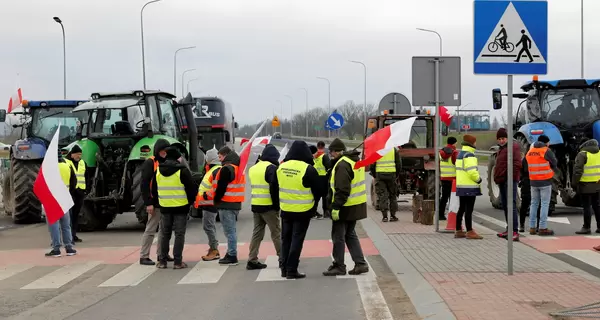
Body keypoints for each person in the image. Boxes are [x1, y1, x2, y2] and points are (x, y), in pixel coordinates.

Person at [274, 140, 321, 279]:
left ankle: (283, 268)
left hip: (285, 209)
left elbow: (274, 186)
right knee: (296, 240)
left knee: (285, 239)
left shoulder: (281, 167)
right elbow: (318, 190)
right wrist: (314, 205)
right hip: (303, 210)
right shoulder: (308, 169)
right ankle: (291, 269)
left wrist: (278, 204)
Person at [323, 138, 369, 276]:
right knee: (350, 234)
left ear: (337, 152)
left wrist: (336, 206)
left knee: (339, 236)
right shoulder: (354, 161)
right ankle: (360, 263)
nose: (330, 155)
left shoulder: (342, 165)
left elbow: (342, 189)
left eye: (331, 152)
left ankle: (339, 265)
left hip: (345, 206)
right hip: (356, 205)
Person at [155, 147, 197, 269]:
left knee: (165, 234)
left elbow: (154, 188)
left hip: (165, 207)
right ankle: (177, 262)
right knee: (179, 234)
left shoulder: (158, 170)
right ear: (176, 157)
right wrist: (191, 202)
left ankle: (162, 261)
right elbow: (191, 188)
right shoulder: (182, 171)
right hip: (180, 207)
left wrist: (159, 202)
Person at [247, 144, 282, 270]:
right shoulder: (271, 168)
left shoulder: (254, 168)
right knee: (276, 232)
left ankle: (252, 259)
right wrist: (277, 206)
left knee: (257, 233)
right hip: (269, 206)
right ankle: (282, 258)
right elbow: (274, 189)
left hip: (256, 205)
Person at [139, 139, 173, 266]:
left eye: (166, 151)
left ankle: (162, 254)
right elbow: (145, 184)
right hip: (155, 202)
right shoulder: (150, 163)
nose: (165, 153)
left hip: (165, 202)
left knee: (164, 231)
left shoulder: (167, 162)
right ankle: (144, 256)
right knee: (150, 229)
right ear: (158, 151)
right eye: (163, 151)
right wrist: (148, 203)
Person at [212, 146, 245, 265]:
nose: (219, 160)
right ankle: (230, 253)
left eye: (220, 157)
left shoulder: (227, 169)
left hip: (226, 204)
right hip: (235, 204)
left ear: (225, 156)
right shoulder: (237, 168)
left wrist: (216, 200)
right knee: (231, 230)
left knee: (229, 231)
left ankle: (232, 255)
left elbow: (221, 187)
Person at [45, 151, 78, 257]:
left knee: (54, 225)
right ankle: (69, 248)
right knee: (66, 225)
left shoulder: (48, 167)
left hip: (52, 199)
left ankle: (56, 249)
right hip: (64, 197)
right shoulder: (67, 165)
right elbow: (74, 182)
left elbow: (43, 183)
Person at [494, 128, 522, 241]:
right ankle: (509, 229)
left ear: (507, 138)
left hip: (509, 181)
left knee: (511, 205)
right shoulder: (502, 149)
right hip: (502, 181)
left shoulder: (512, 147)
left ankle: (514, 230)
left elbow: (516, 164)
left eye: (503, 138)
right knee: (506, 206)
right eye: (499, 139)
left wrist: (509, 178)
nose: (501, 141)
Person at [194, 147, 222, 261]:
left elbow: (216, 188)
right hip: (208, 203)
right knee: (209, 227)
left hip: (210, 203)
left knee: (208, 227)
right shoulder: (213, 170)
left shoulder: (215, 170)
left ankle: (214, 249)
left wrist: (206, 195)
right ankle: (213, 248)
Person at [526, 135, 557, 236]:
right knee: (544, 204)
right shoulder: (546, 150)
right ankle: (542, 227)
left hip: (533, 181)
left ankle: (532, 227)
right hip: (545, 181)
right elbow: (555, 162)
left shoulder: (530, 151)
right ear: (546, 142)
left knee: (534, 203)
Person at [455, 135, 483, 240]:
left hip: (461, 186)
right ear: (472, 143)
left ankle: (458, 230)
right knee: (469, 210)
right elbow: (472, 171)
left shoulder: (460, 154)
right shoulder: (469, 155)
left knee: (461, 208)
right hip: (469, 186)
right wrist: (478, 179)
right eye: (475, 142)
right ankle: (470, 231)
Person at [573, 139, 600, 235]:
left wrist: (574, 183)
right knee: (597, 206)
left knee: (587, 207)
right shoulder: (599, 153)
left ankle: (586, 227)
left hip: (585, 185)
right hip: (597, 184)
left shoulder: (582, 154)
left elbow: (577, 171)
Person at [369, 147, 401, 222]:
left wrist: (375, 175)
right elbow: (399, 164)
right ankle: (393, 216)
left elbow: (372, 165)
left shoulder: (377, 150)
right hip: (391, 175)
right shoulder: (394, 150)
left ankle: (385, 217)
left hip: (380, 176)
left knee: (382, 195)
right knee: (393, 195)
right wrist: (396, 175)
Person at [64, 145, 86, 243]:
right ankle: (69, 237)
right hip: (70, 193)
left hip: (80, 192)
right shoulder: (66, 163)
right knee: (69, 215)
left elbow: (87, 176)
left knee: (76, 215)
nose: (79, 156)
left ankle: (73, 235)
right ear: (72, 154)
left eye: (80, 154)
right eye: (77, 154)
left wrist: (86, 190)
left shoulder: (82, 163)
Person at [519, 156, 541, 233]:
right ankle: (538, 226)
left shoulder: (526, 158)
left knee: (524, 205)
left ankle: (522, 225)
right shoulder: (540, 157)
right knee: (538, 205)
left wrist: (521, 180)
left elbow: (521, 171)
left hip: (526, 183)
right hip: (537, 182)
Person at [439, 137, 459, 221]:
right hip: (453, 179)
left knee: (444, 197)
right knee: (453, 198)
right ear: (454, 143)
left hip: (443, 178)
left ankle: (440, 214)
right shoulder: (454, 153)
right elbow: (457, 165)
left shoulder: (441, 152)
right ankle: (452, 215)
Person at [310, 144, 331, 219]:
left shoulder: (312, 155)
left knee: (315, 197)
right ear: (324, 147)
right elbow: (329, 167)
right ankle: (326, 212)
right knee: (325, 196)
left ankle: (313, 212)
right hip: (323, 179)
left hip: (314, 179)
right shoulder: (324, 156)